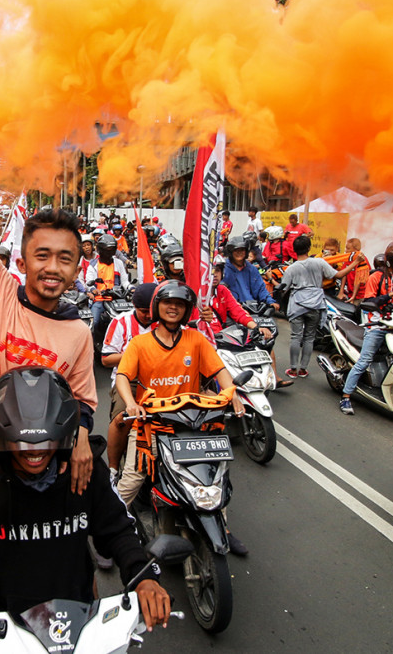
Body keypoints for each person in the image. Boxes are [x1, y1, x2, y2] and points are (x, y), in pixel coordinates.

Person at [0, 367, 171, 654]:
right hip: (0, 631)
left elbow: (119, 530)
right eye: (22, 445)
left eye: (47, 443)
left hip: (79, 627)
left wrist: (143, 576)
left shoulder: (86, 471)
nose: (35, 453)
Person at [0, 184, 97, 495]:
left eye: (65, 259)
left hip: (41, 475)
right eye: (43, 256)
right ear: (21, 263)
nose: (53, 268)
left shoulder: (79, 333)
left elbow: (82, 401)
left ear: (76, 270)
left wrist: (82, 435)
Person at [114, 280, 249, 555]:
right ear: (157, 307)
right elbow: (123, 376)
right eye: (168, 303)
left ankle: (222, 527)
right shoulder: (139, 344)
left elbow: (218, 370)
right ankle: (109, 533)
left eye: (180, 304)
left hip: (192, 424)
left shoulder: (197, 339)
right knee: (132, 479)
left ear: (187, 310)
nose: (173, 308)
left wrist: (231, 391)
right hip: (153, 424)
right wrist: (130, 403)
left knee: (214, 475)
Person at [339, 240, 393, 415]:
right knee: (364, 361)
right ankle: (346, 397)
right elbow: (368, 302)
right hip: (377, 325)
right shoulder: (376, 277)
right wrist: (391, 294)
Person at [102, 283, 156, 486]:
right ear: (134, 306)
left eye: (151, 311)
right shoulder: (120, 322)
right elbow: (106, 359)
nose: (149, 316)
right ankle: (113, 470)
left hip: (160, 379)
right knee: (122, 418)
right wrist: (134, 355)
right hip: (129, 380)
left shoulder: (165, 322)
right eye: (143, 312)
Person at [222, 236, 292, 388]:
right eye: (236, 250)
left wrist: (271, 302)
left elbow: (261, 289)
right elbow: (222, 289)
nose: (240, 253)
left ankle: (274, 376)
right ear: (231, 252)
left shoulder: (252, 269)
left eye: (242, 250)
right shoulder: (224, 269)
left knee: (266, 339)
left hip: (253, 310)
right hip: (233, 313)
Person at [280, 235, 354, 378]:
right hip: (315, 304)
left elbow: (283, 288)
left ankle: (293, 369)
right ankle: (303, 369)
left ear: (294, 250)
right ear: (309, 248)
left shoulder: (291, 268)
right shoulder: (319, 263)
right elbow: (338, 275)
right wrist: (355, 262)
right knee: (309, 337)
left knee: (296, 337)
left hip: (297, 305)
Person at [86, 234, 128, 332]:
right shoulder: (93, 264)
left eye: (111, 250)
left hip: (117, 299)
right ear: (100, 250)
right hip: (99, 299)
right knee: (93, 322)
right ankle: (92, 344)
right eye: (106, 250)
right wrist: (94, 290)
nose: (109, 253)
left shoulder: (119, 263)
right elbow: (89, 282)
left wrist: (131, 288)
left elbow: (125, 281)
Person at [337, 238, 369, 302]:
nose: (346, 251)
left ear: (355, 250)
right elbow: (344, 275)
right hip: (350, 292)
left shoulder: (362, 260)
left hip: (360, 295)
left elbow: (359, 279)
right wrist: (341, 291)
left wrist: (353, 296)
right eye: (346, 248)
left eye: (348, 249)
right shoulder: (348, 259)